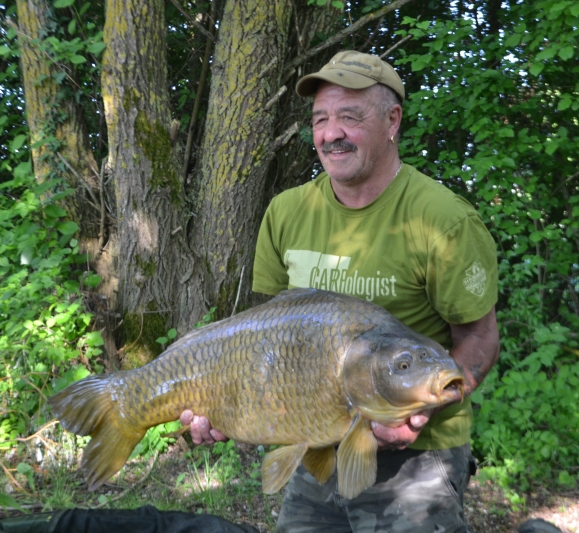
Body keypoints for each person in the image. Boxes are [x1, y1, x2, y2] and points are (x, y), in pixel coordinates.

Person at [181, 50, 501, 533]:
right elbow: (267, 337)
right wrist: (224, 402)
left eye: (350, 117)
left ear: (392, 121)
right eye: (320, 119)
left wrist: (413, 418)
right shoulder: (287, 212)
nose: (331, 134)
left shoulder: (444, 220)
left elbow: (480, 339)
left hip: (416, 459)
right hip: (317, 444)